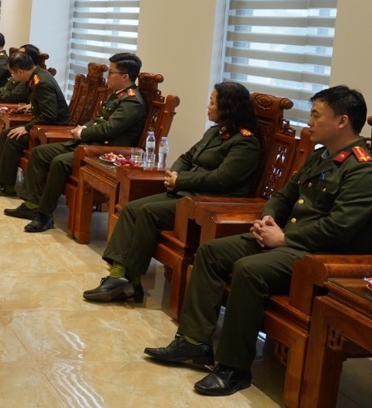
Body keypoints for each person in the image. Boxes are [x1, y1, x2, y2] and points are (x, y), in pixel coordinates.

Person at [143, 85, 372, 397]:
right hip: (284, 237)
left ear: (342, 121)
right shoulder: (321, 156)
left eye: (316, 115)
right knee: (211, 252)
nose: (309, 122)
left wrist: (285, 237)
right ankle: (193, 343)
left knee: (249, 270)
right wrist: (268, 219)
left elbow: (339, 228)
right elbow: (283, 195)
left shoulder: (361, 169)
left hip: (317, 253)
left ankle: (234, 368)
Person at [84, 82, 261, 303]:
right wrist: (174, 173)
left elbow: (222, 179)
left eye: (212, 102)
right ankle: (119, 276)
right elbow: (187, 157)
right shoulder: (214, 132)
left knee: (148, 212)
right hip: (187, 192)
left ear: (227, 107)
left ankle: (131, 280)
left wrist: (180, 181)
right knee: (131, 209)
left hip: (208, 203)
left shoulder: (245, 143)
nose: (208, 106)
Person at [5, 51, 146, 233]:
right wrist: (83, 128)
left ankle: (44, 215)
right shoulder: (119, 95)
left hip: (105, 151)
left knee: (60, 162)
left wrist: (82, 133)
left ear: (125, 76)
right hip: (90, 143)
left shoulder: (132, 102)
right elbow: (99, 120)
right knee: (40, 153)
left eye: (111, 72)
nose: (108, 76)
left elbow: (109, 129)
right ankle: (31, 205)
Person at [0, 51, 72, 195]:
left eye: (13, 74)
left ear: (20, 71)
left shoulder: (42, 82)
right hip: (43, 123)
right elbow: (45, 104)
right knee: (6, 134)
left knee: (13, 137)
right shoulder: (36, 75)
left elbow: (50, 114)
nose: (12, 77)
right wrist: (32, 105)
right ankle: (0, 178)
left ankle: (6, 186)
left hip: (54, 127)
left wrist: (27, 128)